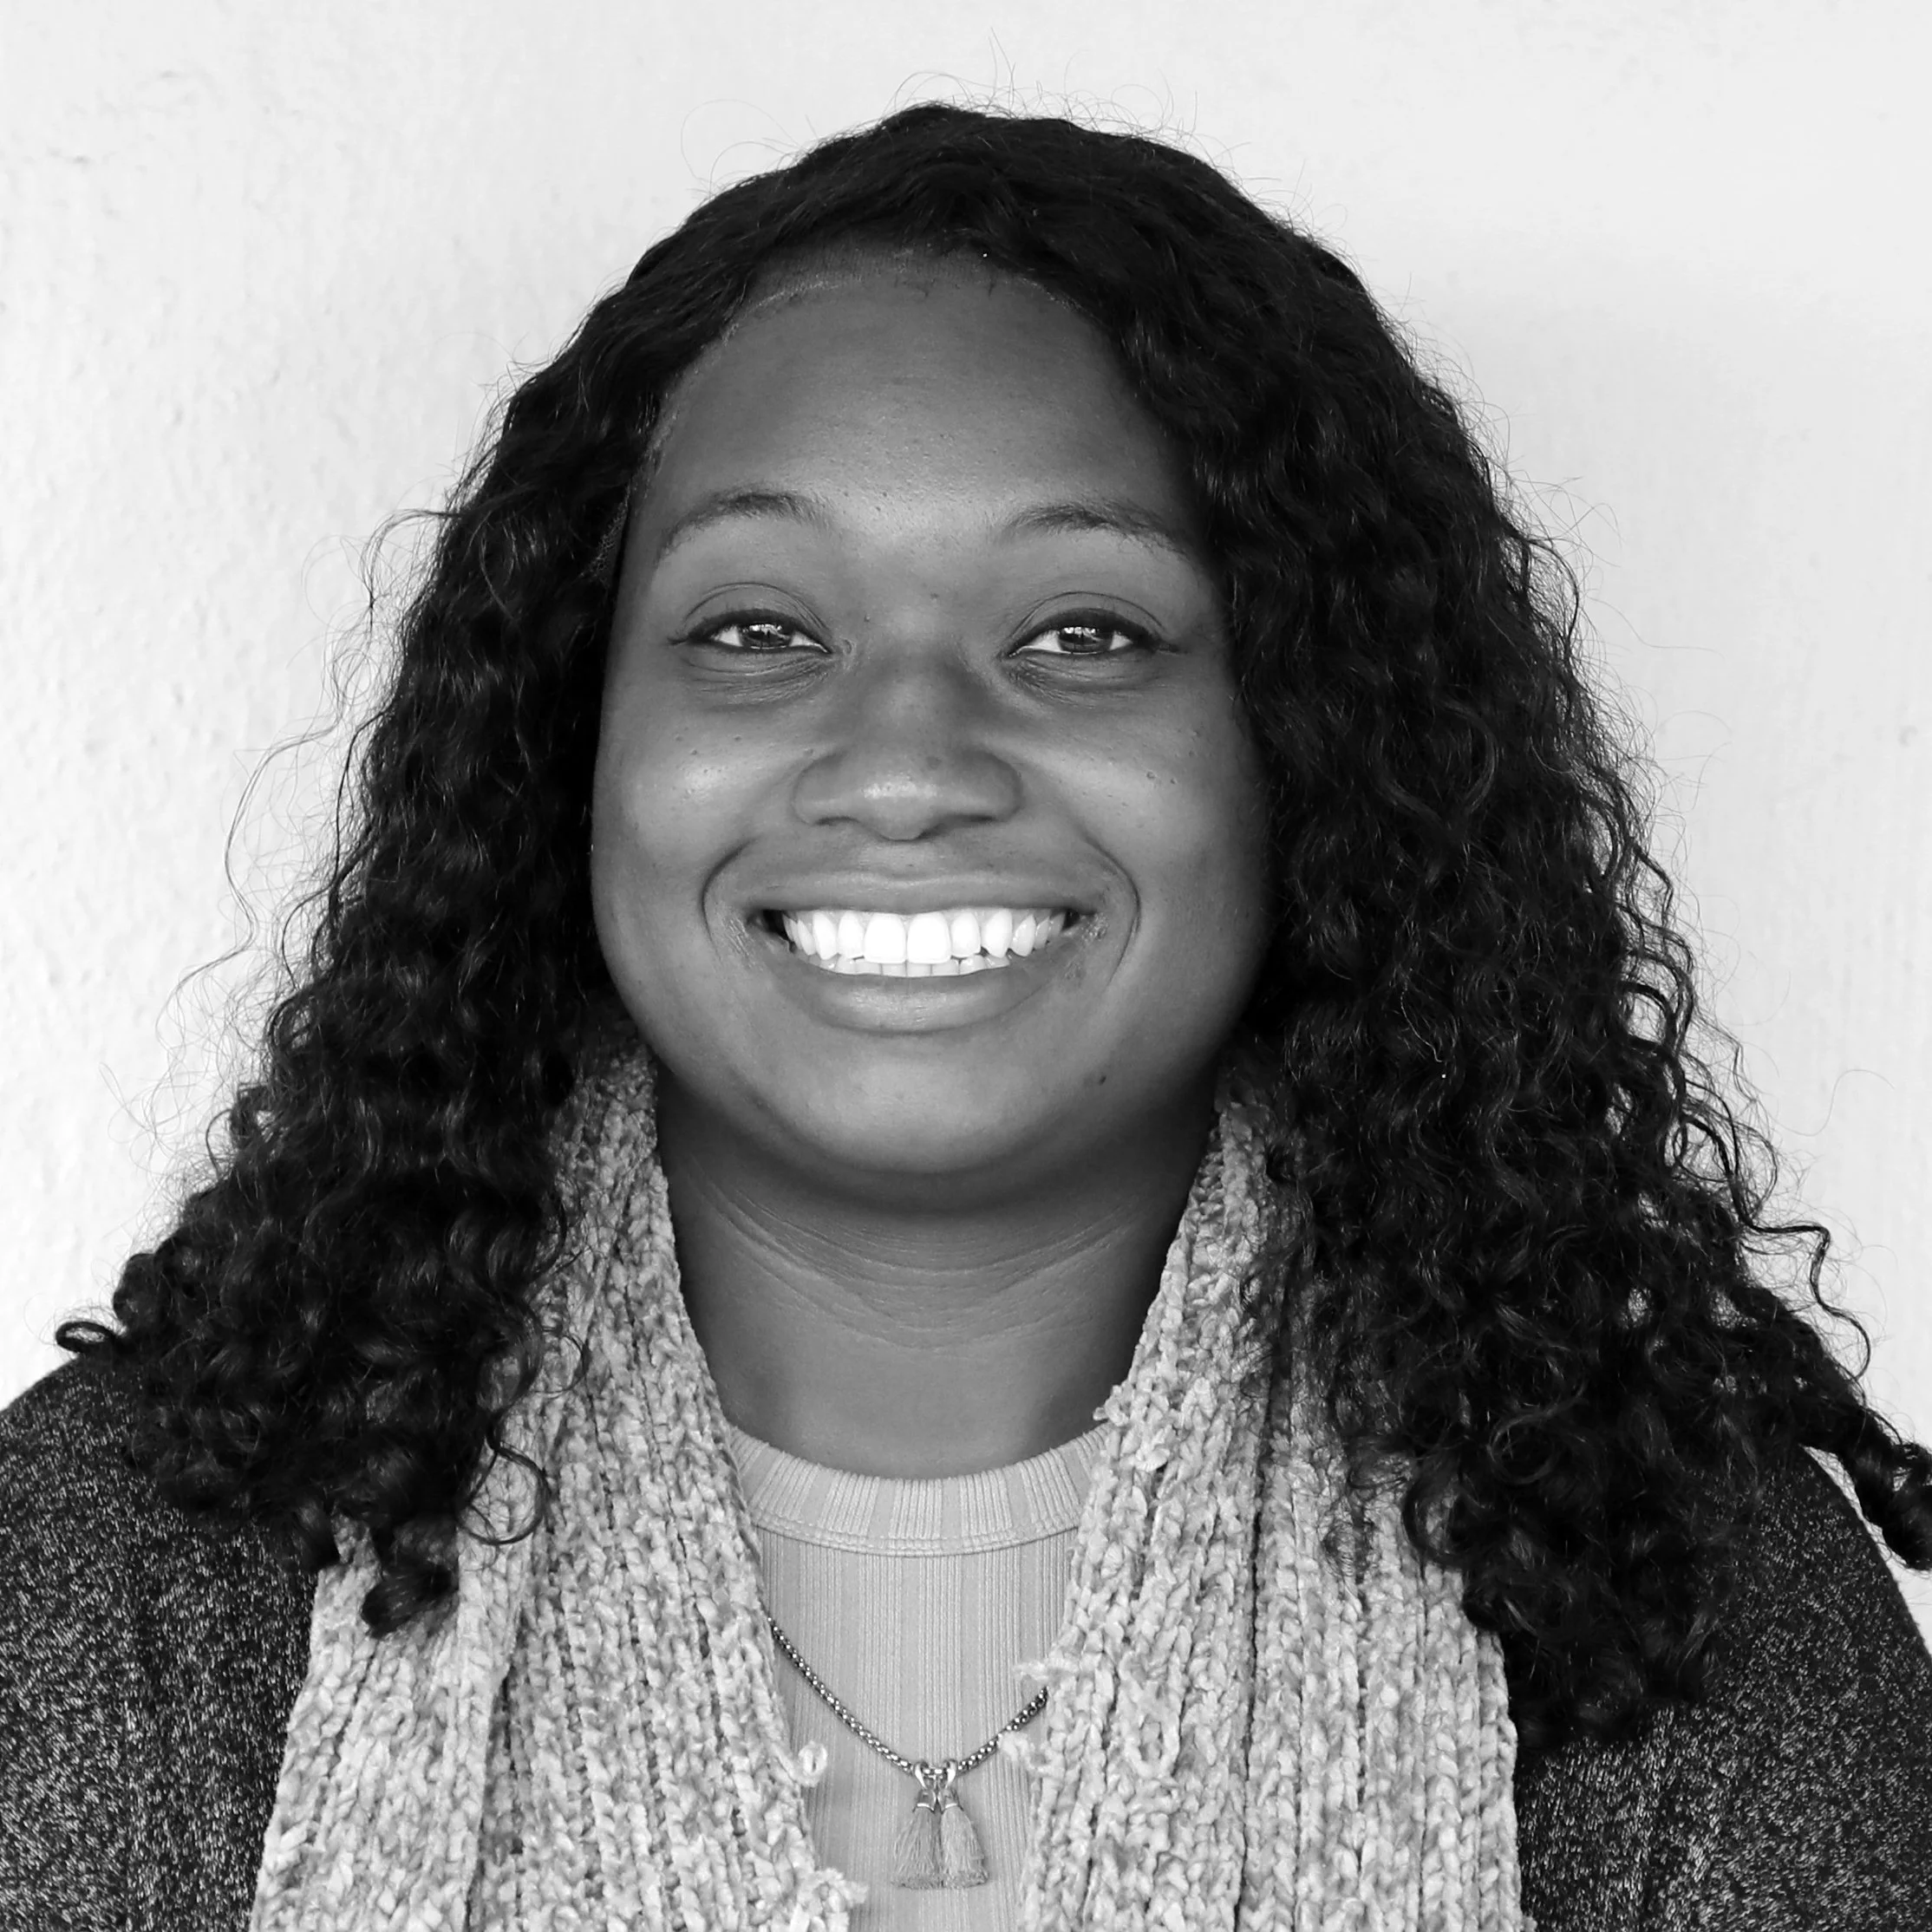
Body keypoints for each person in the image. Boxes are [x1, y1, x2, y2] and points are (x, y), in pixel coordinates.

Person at [3, 102, 1929, 1932]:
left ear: (1305, 749)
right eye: (758, 629)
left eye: (1083, 632)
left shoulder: (1686, 1605)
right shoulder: (126, 1581)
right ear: (569, 746)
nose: (908, 762)